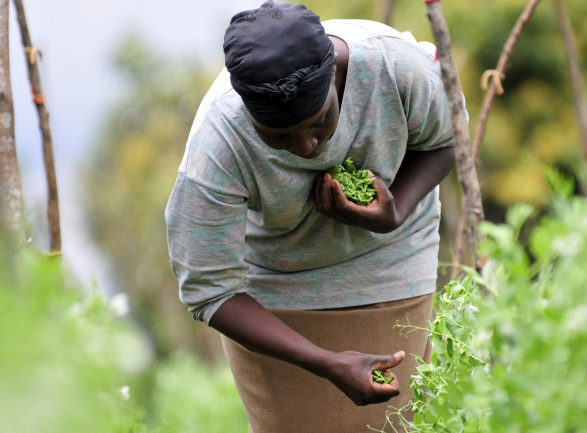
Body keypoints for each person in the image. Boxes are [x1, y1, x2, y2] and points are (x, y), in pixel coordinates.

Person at [165, 1, 461, 431]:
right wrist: (323, 362)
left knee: (402, 424)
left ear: (337, 77)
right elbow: (209, 289)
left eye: (321, 121)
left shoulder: (396, 69)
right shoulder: (218, 145)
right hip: (276, 298)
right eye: (278, 136)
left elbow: (450, 137)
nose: (307, 148)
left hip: (392, 265)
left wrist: (393, 211)